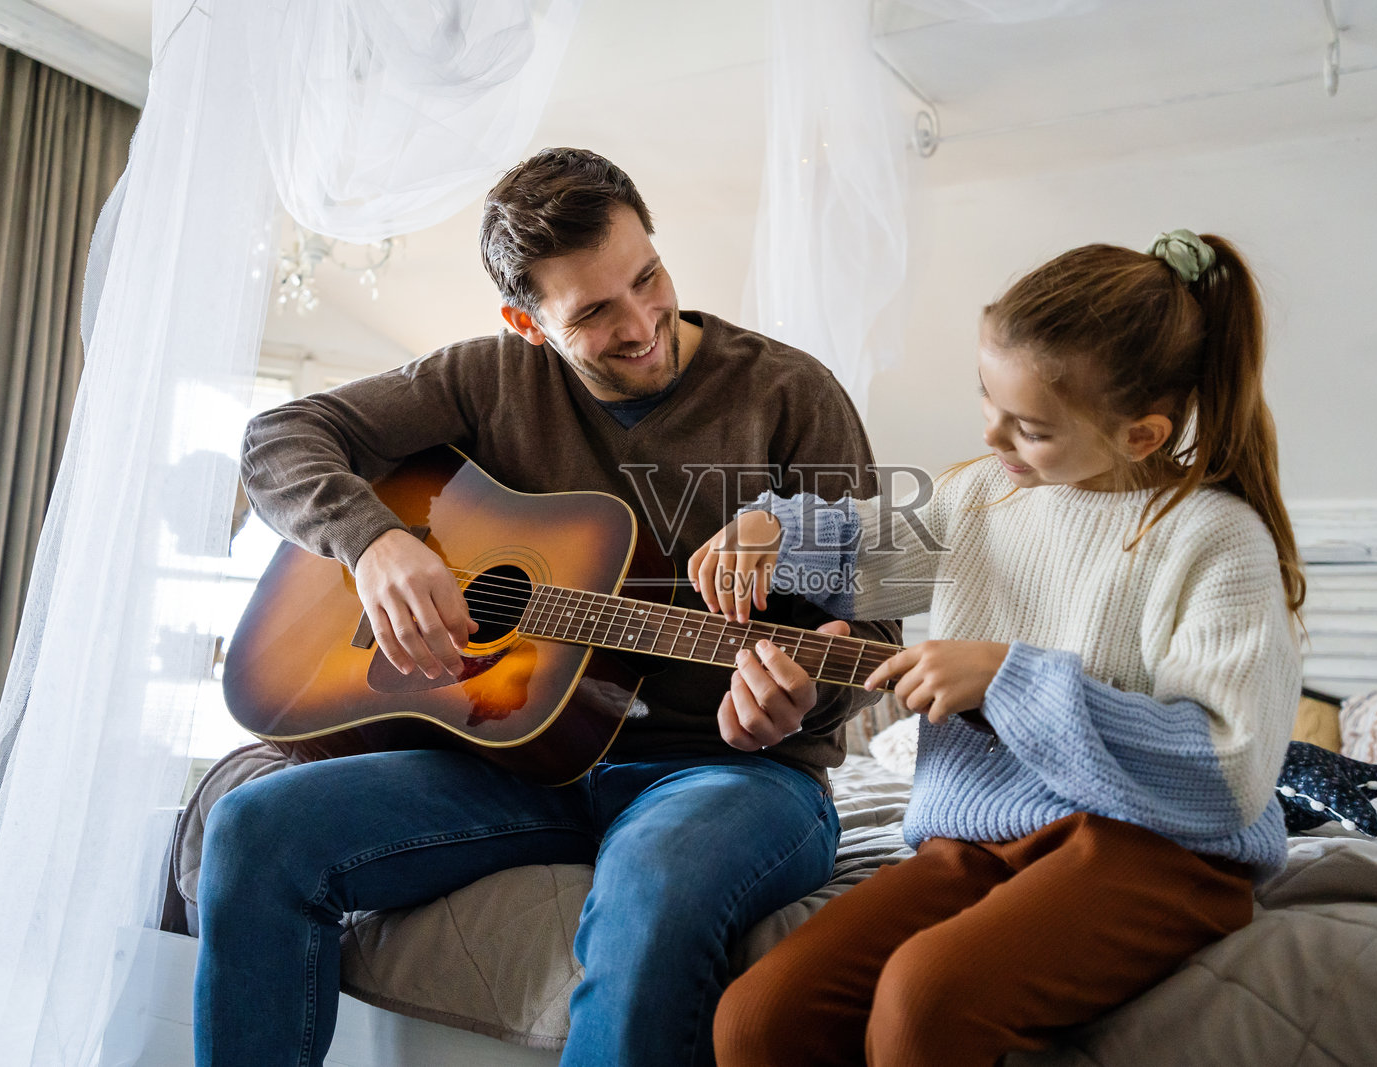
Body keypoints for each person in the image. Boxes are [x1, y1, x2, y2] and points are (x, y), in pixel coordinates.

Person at [194, 147, 898, 1067]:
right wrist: (376, 544)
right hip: (518, 757)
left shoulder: (788, 392)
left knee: (652, 882)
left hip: (731, 775)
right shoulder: (484, 379)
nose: (644, 322)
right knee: (253, 829)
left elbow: (878, 631)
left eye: (649, 277)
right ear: (524, 322)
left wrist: (807, 695)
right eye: (596, 312)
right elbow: (281, 436)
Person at [693, 231, 1306, 1067]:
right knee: (757, 1017)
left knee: (923, 1000)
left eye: (1030, 428)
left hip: (1159, 849)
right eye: (987, 399)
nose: (993, 437)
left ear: (1141, 434)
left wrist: (1008, 679)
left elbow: (1226, 773)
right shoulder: (983, 495)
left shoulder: (1216, 540)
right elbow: (865, 551)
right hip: (977, 837)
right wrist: (772, 527)